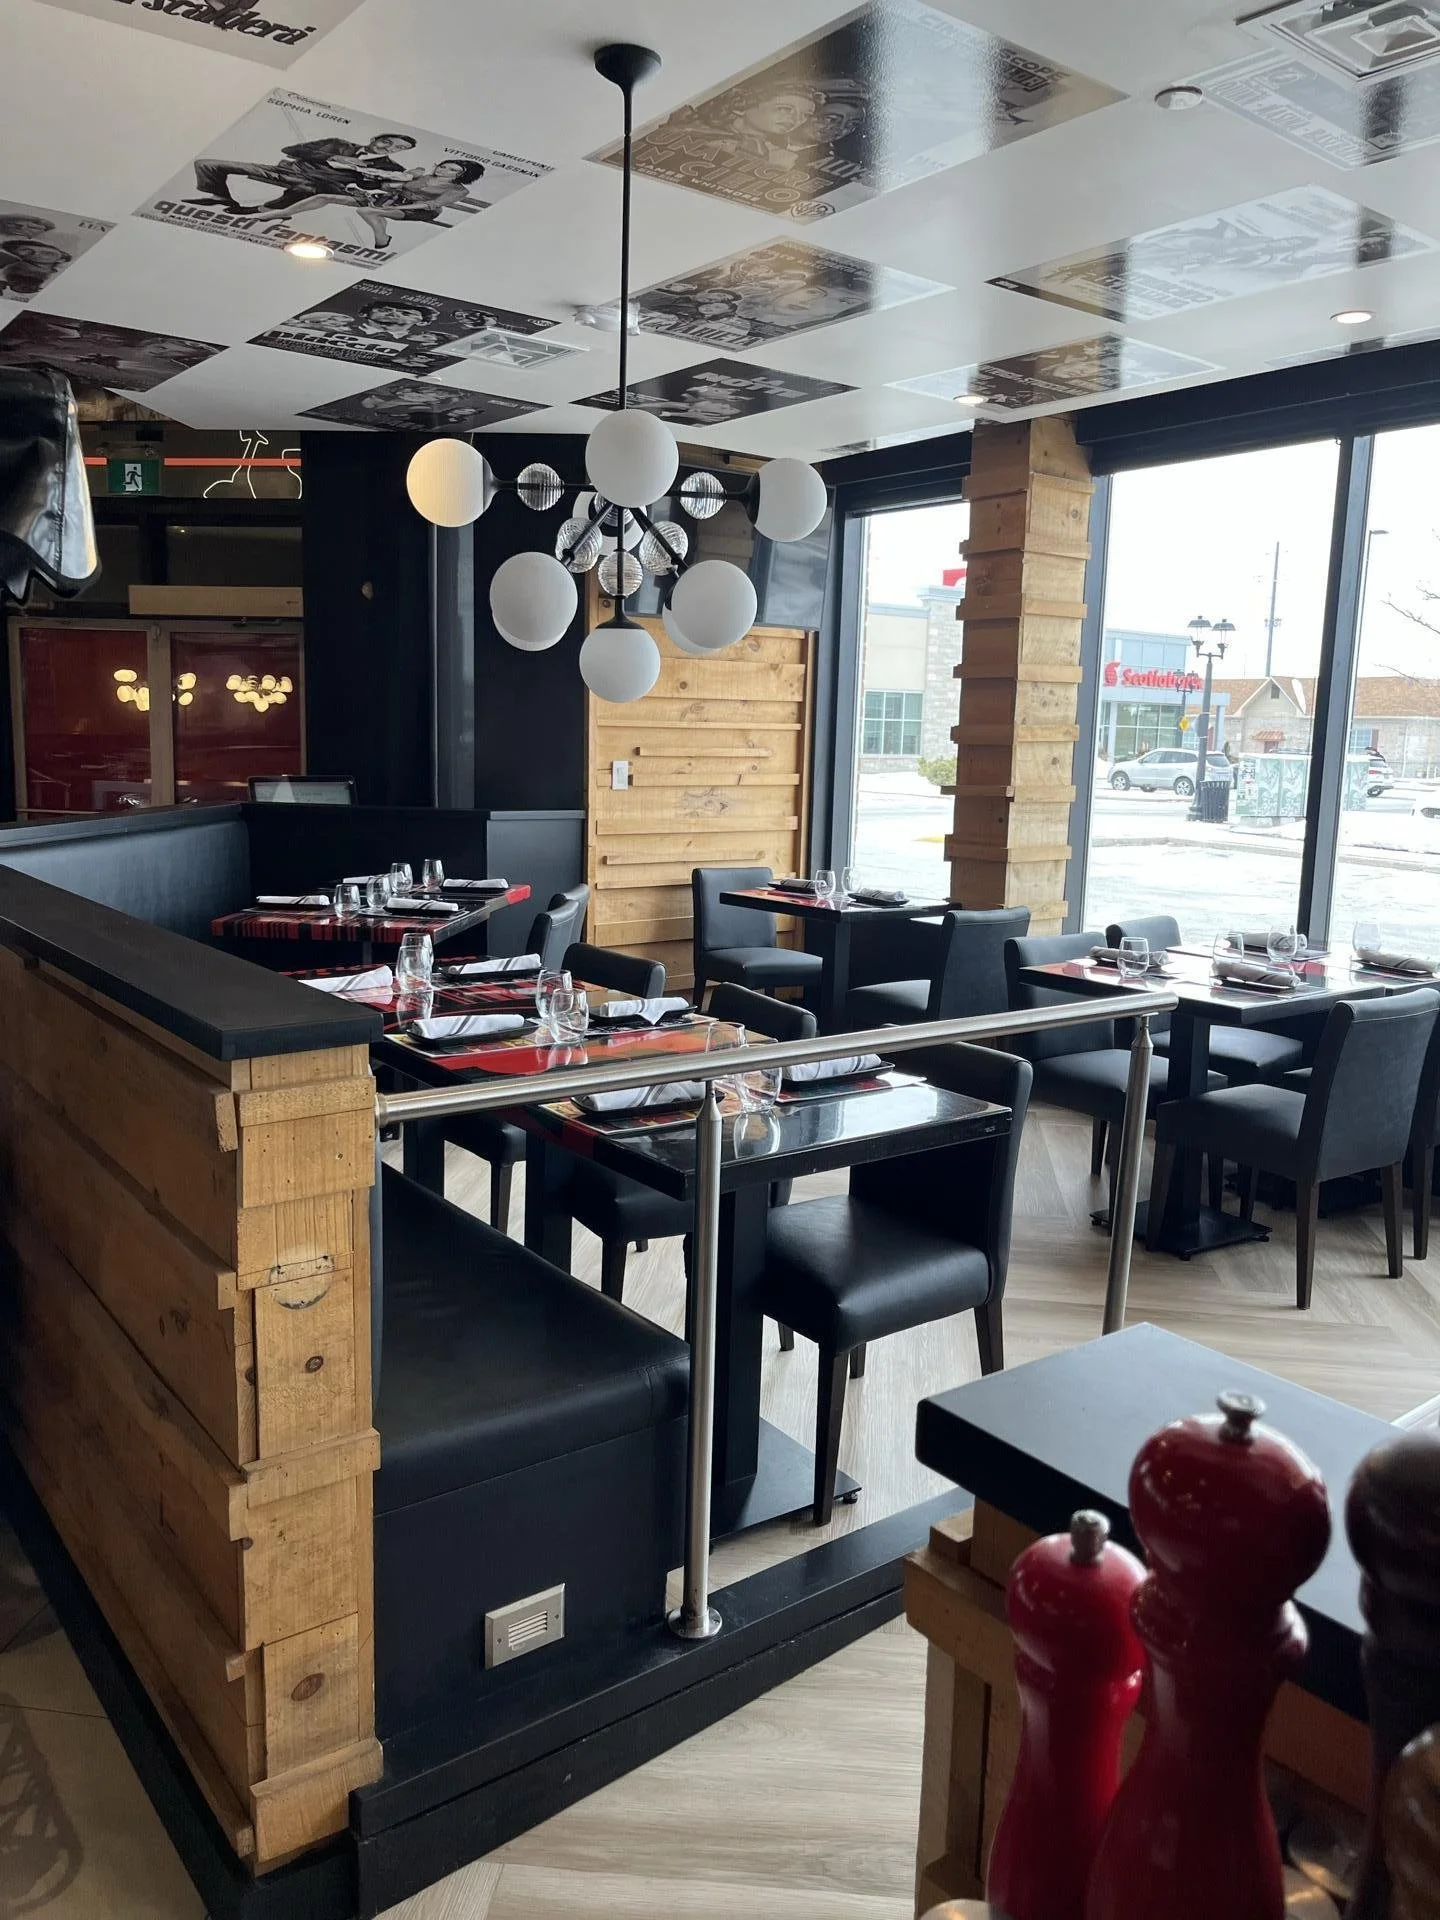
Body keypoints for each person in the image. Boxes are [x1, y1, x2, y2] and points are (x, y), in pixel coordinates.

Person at [185, 131, 417, 216]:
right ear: (375, 138)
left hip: (322, 185)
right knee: (207, 164)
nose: (389, 149)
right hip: (290, 171)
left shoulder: (392, 169)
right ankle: (218, 197)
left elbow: (369, 189)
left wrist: (376, 180)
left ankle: (259, 210)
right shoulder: (338, 143)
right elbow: (292, 150)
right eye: (387, 142)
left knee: (306, 191)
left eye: (397, 148)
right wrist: (332, 157)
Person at [280, 157, 488, 251]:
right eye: (444, 166)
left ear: (462, 175)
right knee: (327, 196)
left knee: (367, 211)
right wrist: (395, 182)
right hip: (390, 200)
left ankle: (382, 239)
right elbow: (392, 188)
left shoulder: (459, 190)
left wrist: (397, 208)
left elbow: (430, 205)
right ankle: (281, 212)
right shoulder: (422, 175)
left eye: (452, 170)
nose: (444, 170)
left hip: (418, 211)